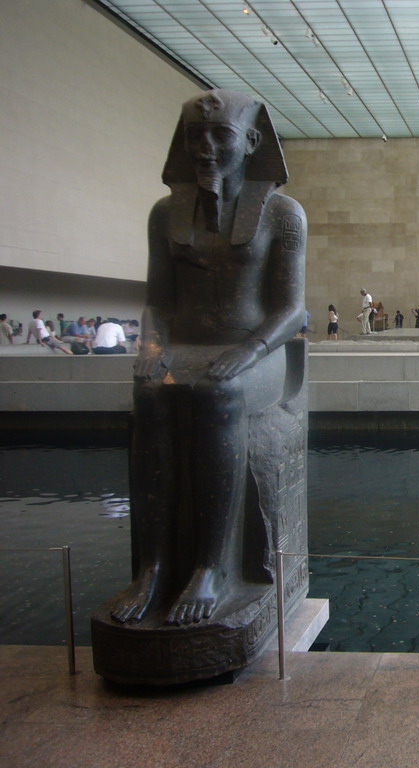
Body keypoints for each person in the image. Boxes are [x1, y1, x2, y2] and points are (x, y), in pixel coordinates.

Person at [111, 89, 306, 626]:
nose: (206, 147)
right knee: (151, 397)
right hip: (192, 347)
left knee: (217, 394)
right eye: (196, 136)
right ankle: (152, 567)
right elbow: (159, 301)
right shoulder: (165, 215)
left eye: (220, 136)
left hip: (258, 351)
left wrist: (246, 351)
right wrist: (152, 346)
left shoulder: (283, 213)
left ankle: (211, 567)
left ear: (251, 142)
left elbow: (291, 311)